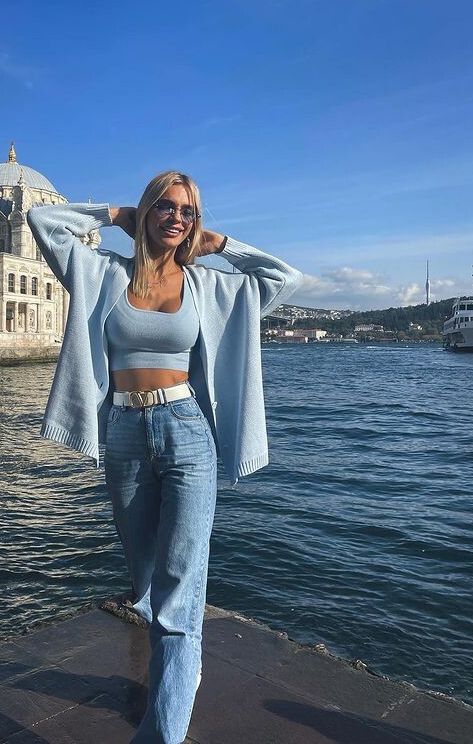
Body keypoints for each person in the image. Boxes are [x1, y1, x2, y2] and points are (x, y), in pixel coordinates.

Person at [27, 170, 301, 744]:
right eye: (166, 207)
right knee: (147, 581)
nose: (177, 218)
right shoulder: (104, 272)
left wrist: (221, 245)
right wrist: (116, 215)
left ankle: (163, 727)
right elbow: (43, 221)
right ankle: (181, 670)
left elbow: (283, 277)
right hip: (124, 430)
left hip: (187, 430)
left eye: (188, 211)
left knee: (180, 584)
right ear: (147, 210)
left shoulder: (206, 284)